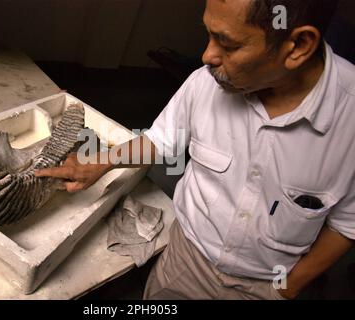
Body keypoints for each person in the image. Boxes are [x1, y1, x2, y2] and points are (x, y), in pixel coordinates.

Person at [35, 0, 355, 300]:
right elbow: (161, 141)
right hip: (185, 259)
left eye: (227, 43)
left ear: (298, 46)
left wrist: (286, 289)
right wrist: (98, 164)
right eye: (208, 35)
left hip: (269, 284)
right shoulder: (206, 82)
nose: (207, 56)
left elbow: (347, 225)